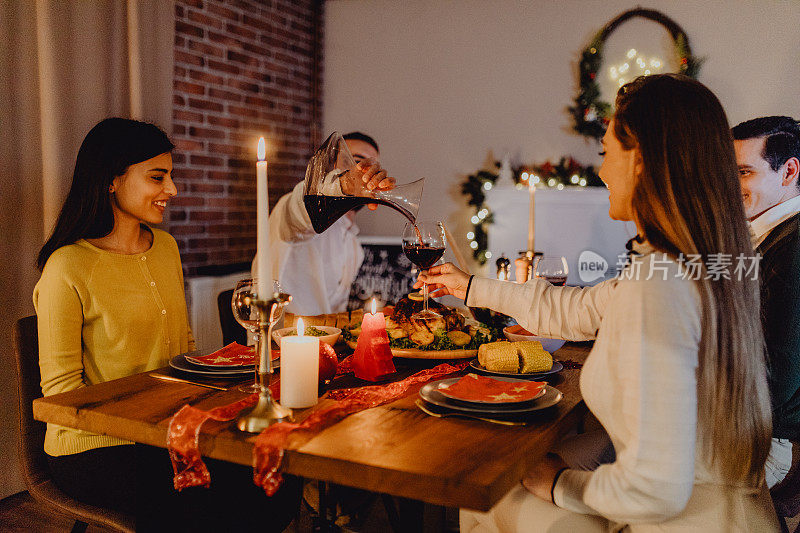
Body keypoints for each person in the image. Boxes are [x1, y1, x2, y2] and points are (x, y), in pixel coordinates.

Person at [417, 75, 779, 531]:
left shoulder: (660, 285)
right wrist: (470, 286)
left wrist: (560, 485)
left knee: (483, 492)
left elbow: (654, 491)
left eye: (607, 153)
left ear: (643, 159)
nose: (602, 171)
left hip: (679, 520)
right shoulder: (709, 263)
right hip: (731, 510)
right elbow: (577, 310)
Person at [35, 118, 299, 531]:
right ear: (111, 180)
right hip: (91, 445)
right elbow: (62, 396)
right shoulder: (67, 266)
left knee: (275, 476)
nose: (172, 190)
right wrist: (152, 429)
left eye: (171, 176)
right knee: (209, 500)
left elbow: (183, 347)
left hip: (168, 428)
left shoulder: (165, 248)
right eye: (157, 177)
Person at [254, 131, 394, 315]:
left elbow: (335, 313)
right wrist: (344, 184)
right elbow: (300, 209)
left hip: (327, 340)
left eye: (371, 166)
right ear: (331, 166)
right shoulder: (296, 211)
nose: (365, 172)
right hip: (278, 339)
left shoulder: (353, 245)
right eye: (356, 161)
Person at [732, 116, 800, 488]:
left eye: (743, 172)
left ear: (789, 170)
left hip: (770, 442)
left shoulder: (793, 247)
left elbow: (778, 378)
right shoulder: (768, 234)